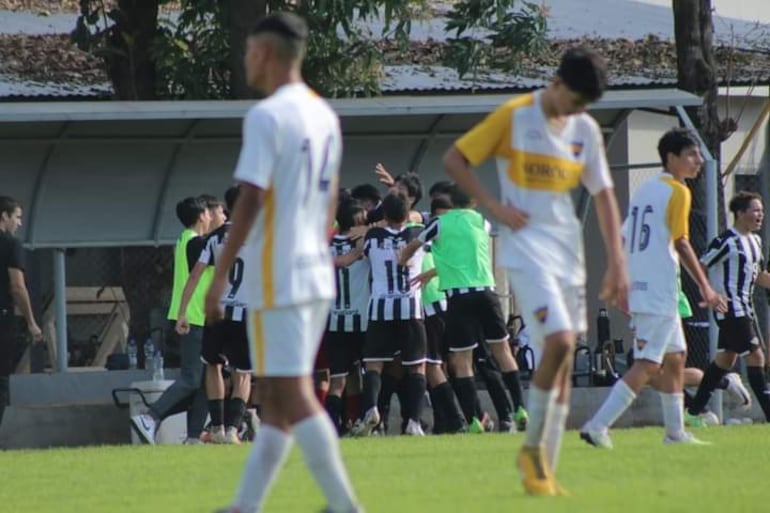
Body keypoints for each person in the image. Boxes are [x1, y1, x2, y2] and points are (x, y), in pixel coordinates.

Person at [442, 48, 628, 495]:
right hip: (526, 250)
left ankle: (543, 467)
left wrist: (617, 262)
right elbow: (454, 159)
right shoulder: (515, 116)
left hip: (568, 254)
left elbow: (602, 195)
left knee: (561, 360)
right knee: (561, 342)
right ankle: (531, 452)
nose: (578, 112)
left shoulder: (583, 128)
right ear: (557, 83)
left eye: (586, 106)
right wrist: (492, 205)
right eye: (575, 100)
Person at [205, 13, 361, 513]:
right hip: (314, 272)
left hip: (280, 276)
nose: (247, 59)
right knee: (274, 401)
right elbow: (332, 196)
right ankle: (244, 505)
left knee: (292, 394)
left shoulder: (268, 115)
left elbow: (249, 200)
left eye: (250, 50)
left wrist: (221, 273)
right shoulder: (322, 115)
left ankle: (344, 503)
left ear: (266, 53)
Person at [580, 128, 725, 450]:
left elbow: (622, 237)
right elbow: (681, 242)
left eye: (699, 154)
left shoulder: (646, 188)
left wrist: (620, 280)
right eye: (691, 154)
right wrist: (706, 286)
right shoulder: (678, 191)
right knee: (648, 363)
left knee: (677, 358)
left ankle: (675, 433)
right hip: (658, 289)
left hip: (648, 288)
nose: (698, 160)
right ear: (672, 158)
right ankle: (597, 425)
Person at [400, 183, 528, 433]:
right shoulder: (482, 222)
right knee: (503, 352)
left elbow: (416, 243)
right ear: (473, 203)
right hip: (487, 293)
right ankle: (520, 408)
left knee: (461, 360)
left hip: (458, 299)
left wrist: (403, 259)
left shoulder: (439, 224)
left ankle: (472, 420)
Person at [131, 196, 212, 445]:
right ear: (201, 216)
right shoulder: (196, 243)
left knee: (203, 383)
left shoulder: (183, 239)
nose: (211, 216)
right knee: (191, 378)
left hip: (195, 316)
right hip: (193, 317)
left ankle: (193, 436)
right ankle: (150, 417)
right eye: (209, 212)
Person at [685, 191, 770, 424]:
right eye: (755, 210)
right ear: (740, 213)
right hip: (730, 308)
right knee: (756, 355)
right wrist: (710, 292)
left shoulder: (755, 241)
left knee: (725, 360)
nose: (760, 215)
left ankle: (693, 413)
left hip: (746, 308)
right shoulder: (726, 242)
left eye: (761, 210)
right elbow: (699, 266)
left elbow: (760, 276)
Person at [176, 186, 253, 444]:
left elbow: (195, 274)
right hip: (246, 312)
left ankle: (218, 427)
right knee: (243, 372)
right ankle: (233, 430)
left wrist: (182, 312)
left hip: (217, 313)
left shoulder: (214, 238)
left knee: (213, 365)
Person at [350, 193, 429, 437]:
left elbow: (360, 252)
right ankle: (414, 422)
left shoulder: (372, 237)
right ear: (407, 214)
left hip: (380, 307)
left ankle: (371, 410)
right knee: (417, 367)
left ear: (384, 215)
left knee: (374, 364)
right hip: (410, 307)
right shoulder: (418, 235)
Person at [323, 199, 370, 434]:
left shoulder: (326, 244)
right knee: (362, 376)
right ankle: (358, 422)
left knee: (340, 380)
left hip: (335, 322)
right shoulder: (366, 246)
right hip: (362, 321)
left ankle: (336, 427)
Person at [0, 197, 42, 428]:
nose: (19, 223)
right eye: (16, 217)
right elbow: (17, 286)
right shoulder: (10, 244)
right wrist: (31, 322)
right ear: (4, 216)